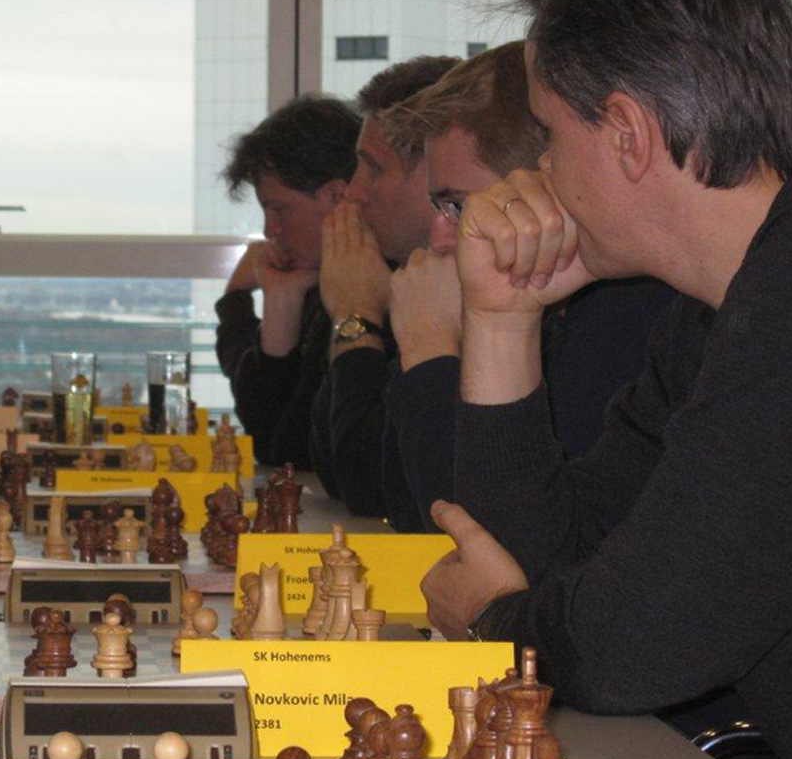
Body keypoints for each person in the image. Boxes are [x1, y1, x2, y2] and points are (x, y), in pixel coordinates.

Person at [419, 0, 792, 759]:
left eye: (549, 134)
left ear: (627, 134)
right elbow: (547, 560)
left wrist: (493, 624)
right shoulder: (727, 302)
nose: (539, 171)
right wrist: (503, 319)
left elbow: (632, 646)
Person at [379, 44, 674, 530]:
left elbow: (479, 537)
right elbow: (399, 505)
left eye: (457, 206)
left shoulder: (630, 317)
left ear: (541, 182)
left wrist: (429, 353)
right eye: (438, 207)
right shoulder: (554, 308)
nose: (438, 237)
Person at [307, 56, 458, 517]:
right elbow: (329, 465)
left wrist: (357, 319)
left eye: (372, 168)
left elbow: (369, 484)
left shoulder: (468, 294)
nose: (354, 192)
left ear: (434, 174)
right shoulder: (393, 274)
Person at [214, 95, 358, 469]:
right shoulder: (313, 282)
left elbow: (289, 451)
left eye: (279, 209)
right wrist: (282, 299)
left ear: (338, 196)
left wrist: (237, 298)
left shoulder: (362, 291)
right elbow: (265, 434)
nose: (269, 230)